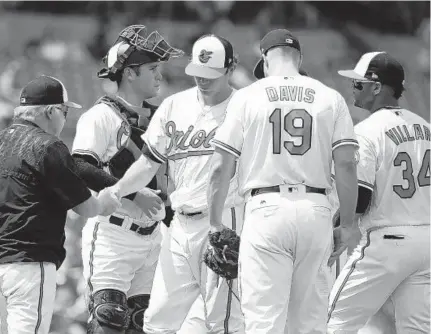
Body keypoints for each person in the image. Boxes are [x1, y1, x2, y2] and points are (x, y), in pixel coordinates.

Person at [206, 29, 359, 334]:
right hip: (316, 210)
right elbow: (346, 164)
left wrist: (214, 223)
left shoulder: (248, 96)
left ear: (264, 60)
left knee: (264, 323)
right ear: (299, 58)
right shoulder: (331, 97)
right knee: (311, 325)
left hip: (266, 210)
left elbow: (221, 168)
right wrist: (349, 224)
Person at [99, 34, 245, 334]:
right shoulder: (174, 105)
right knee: (157, 321)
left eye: (212, 74)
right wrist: (117, 189)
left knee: (223, 322)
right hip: (179, 225)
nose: (203, 81)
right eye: (199, 73)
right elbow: (147, 163)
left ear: (231, 69)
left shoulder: (245, 106)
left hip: (224, 221)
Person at [70, 25, 184, 334]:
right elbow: (79, 166)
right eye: (152, 68)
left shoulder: (164, 117)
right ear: (130, 73)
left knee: (141, 325)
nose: (159, 75)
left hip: (154, 237)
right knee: (109, 321)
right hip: (113, 234)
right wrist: (132, 195)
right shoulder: (100, 116)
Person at [0, 75, 120, 334]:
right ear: (51, 111)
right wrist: (106, 201)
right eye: (64, 111)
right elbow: (86, 208)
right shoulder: (48, 145)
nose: (64, 118)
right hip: (29, 264)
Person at [327, 51, 430, 334]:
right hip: (426, 242)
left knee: (333, 324)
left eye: (358, 83)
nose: (353, 88)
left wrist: (338, 225)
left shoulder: (367, 131)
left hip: (388, 242)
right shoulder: (426, 128)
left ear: (376, 86)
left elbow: (360, 198)